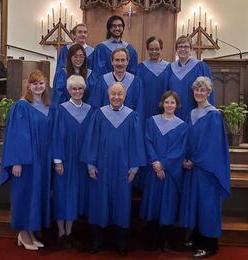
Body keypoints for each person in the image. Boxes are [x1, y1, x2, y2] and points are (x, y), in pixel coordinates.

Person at [81, 82, 146, 255]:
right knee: (99, 200)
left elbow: (137, 143)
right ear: (108, 95)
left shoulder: (132, 116)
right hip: (101, 166)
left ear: (125, 96)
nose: (116, 97)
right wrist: (90, 164)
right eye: (113, 94)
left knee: (121, 201)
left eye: (120, 94)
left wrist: (134, 168)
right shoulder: (99, 114)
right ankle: (98, 239)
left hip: (123, 167)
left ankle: (120, 240)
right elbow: (91, 139)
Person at [0, 70, 53, 250]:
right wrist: (17, 161)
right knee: (24, 195)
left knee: (35, 195)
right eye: (34, 83)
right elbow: (16, 137)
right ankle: (22, 233)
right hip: (26, 162)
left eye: (41, 83)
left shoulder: (47, 107)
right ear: (28, 86)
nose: (38, 86)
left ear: (45, 86)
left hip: (42, 161)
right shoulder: (21, 107)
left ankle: (30, 232)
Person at [179, 76, 230, 258]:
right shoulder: (191, 114)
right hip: (193, 167)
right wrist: (184, 158)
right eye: (197, 90)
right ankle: (196, 237)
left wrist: (195, 160)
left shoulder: (214, 115)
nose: (199, 93)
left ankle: (209, 245)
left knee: (207, 205)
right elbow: (185, 139)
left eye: (203, 90)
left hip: (207, 169)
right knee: (195, 203)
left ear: (209, 92)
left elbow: (213, 145)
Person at [140, 91, 188, 250]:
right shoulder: (151, 122)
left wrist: (164, 165)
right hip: (153, 171)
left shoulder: (182, 126)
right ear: (162, 104)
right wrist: (155, 163)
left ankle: (165, 239)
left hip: (170, 173)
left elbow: (179, 150)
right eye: (166, 102)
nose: (169, 105)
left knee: (167, 204)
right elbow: (147, 142)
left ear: (177, 105)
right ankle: (151, 238)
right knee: (153, 203)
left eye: (172, 103)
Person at [52, 75, 94, 249]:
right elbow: (56, 136)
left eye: (80, 89)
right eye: (74, 89)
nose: (77, 92)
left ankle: (70, 232)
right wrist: (58, 160)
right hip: (66, 160)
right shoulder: (61, 110)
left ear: (84, 90)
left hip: (82, 161)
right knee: (63, 195)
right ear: (68, 90)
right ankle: (61, 233)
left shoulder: (91, 110)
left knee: (74, 196)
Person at [88, 48, 144, 122]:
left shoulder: (136, 82)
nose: (120, 63)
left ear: (127, 62)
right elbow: (96, 107)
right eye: (117, 60)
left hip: (128, 125)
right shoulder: (102, 81)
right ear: (112, 62)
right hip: (106, 124)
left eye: (123, 60)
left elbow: (139, 108)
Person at [168, 35, 214, 121]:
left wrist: (207, 114)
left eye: (186, 47)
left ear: (191, 49)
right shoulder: (170, 68)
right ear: (176, 50)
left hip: (195, 113)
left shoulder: (200, 67)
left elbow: (209, 92)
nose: (183, 49)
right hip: (174, 113)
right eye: (180, 47)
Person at [52, 43, 97, 108]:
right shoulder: (62, 74)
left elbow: (93, 97)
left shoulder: (91, 75)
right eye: (75, 56)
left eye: (81, 56)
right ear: (70, 58)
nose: (78, 59)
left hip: (86, 112)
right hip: (66, 111)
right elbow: (58, 98)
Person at [137, 36, 171, 121]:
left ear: (161, 49)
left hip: (165, 107)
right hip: (146, 107)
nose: (154, 51)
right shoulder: (141, 68)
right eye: (151, 49)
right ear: (147, 50)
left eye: (157, 49)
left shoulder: (169, 68)